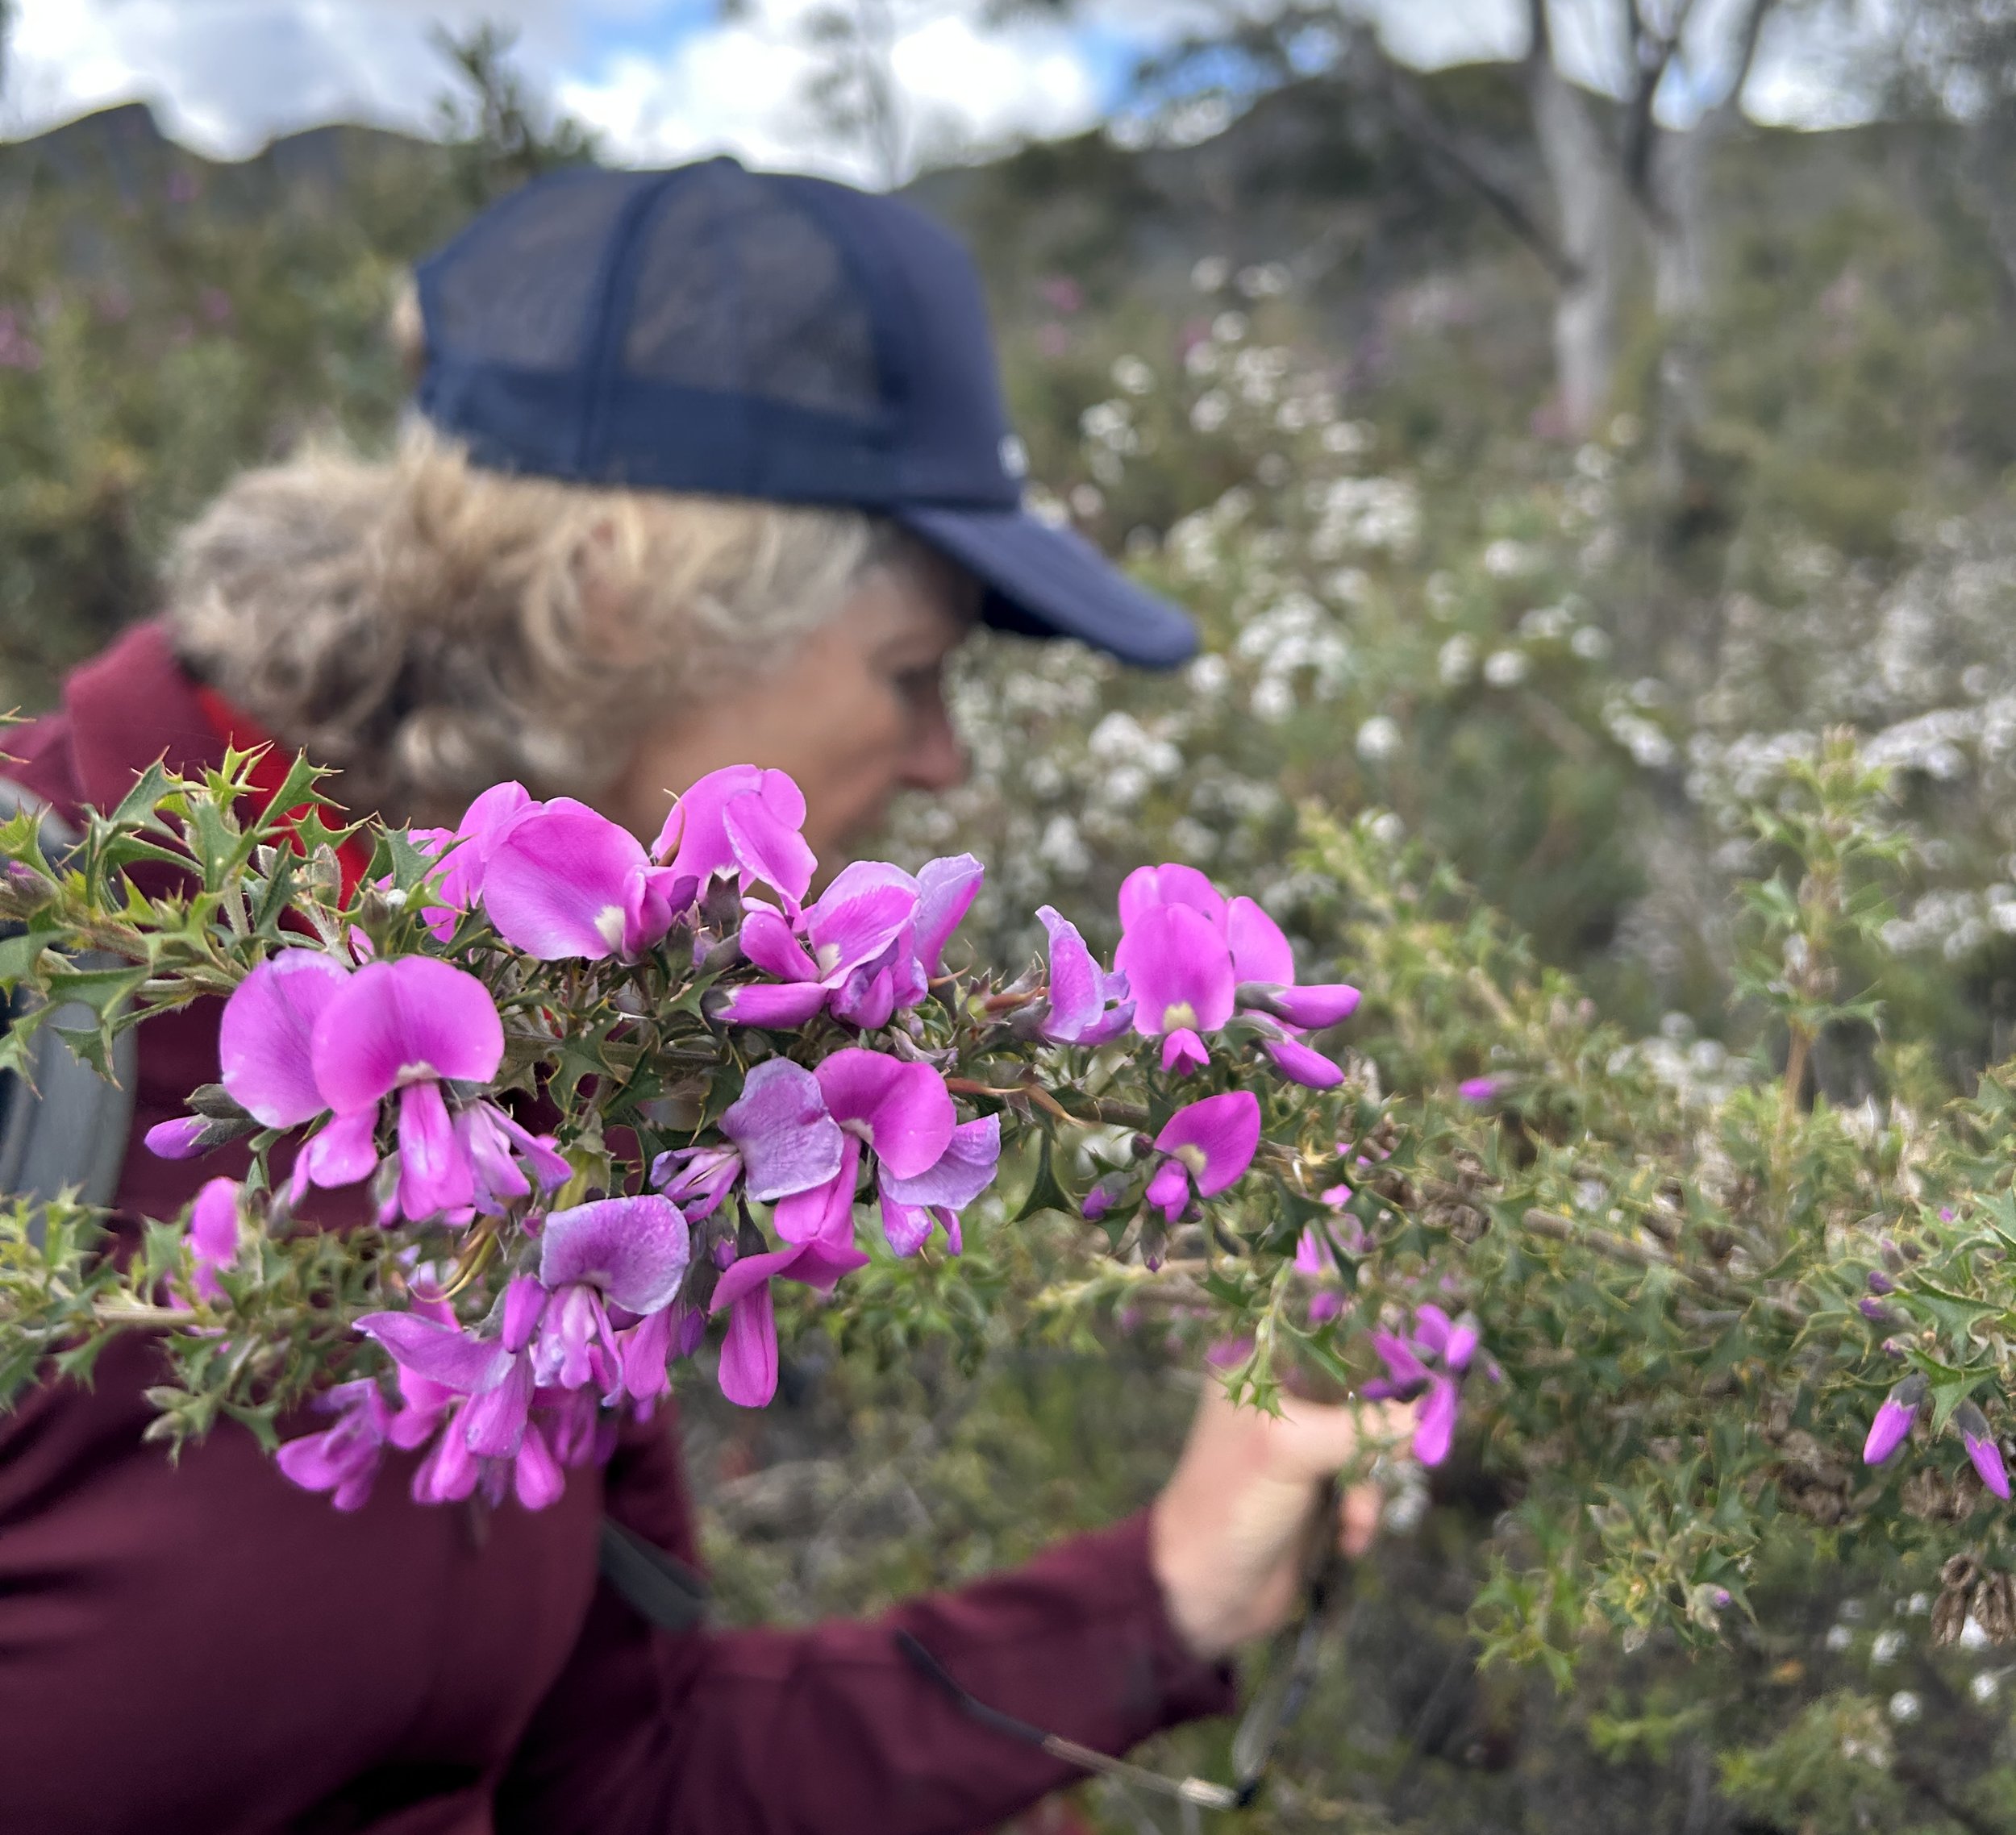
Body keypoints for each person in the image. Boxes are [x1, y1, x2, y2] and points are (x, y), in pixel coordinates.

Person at [0, 158, 1381, 1835]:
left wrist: (1154, 1600)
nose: (942, 756)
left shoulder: (605, 1112)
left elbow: (615, 1779)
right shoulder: (53, 977)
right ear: (627, 601)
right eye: (912, 669)